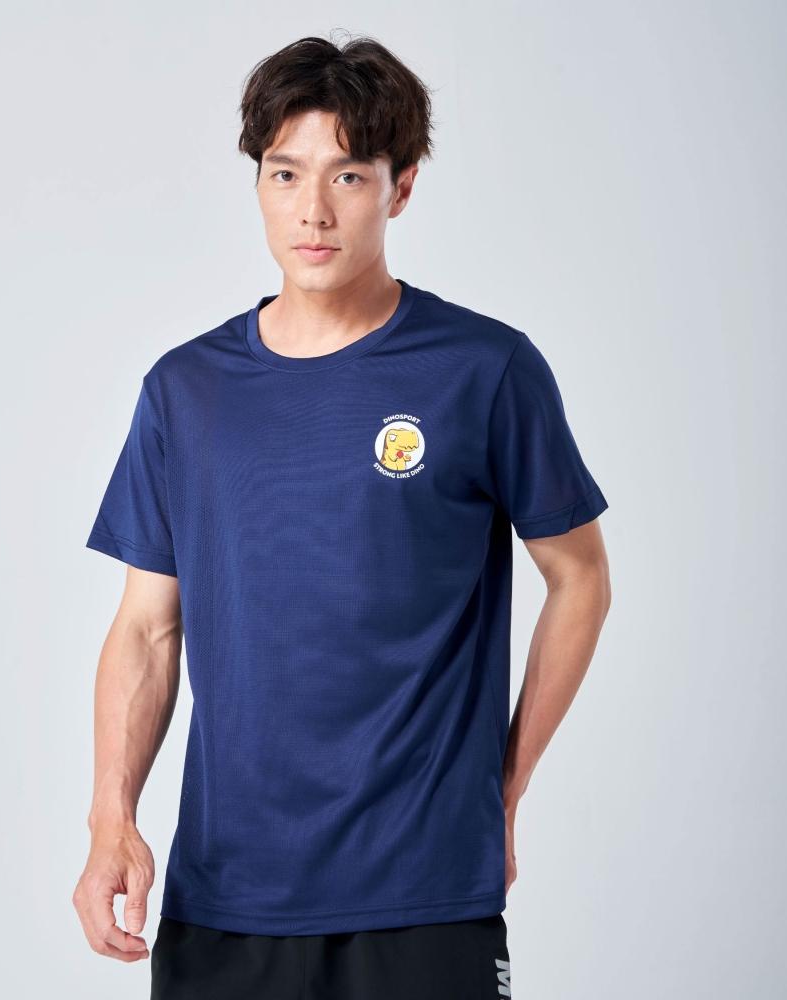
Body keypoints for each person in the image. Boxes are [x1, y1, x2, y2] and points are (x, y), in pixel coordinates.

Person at [72, 33, 612, 1000]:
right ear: (258, 183)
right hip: (225, 896)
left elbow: (580, 577)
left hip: (423, 891)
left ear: (401, 189)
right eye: (285, 174)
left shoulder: (484, 370)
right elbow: (148, 628)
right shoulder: (186, 391)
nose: (312, 210)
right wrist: (111, 819)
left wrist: (505, 785)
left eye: (349, 175)